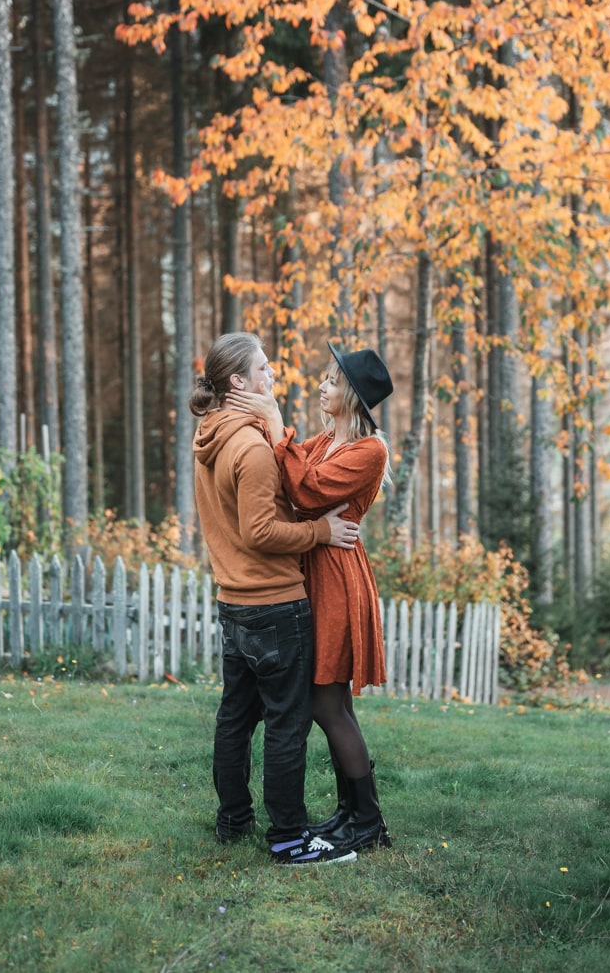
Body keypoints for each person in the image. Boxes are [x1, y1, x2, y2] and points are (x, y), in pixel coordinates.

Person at [191, 331, 362, 867]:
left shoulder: (211, 433)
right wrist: (320, 534)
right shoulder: (252, 448)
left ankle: (233, 821)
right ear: (238, 381)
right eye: (264, 369)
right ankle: (290, 838)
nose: (273, 377)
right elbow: (261, 531)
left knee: (235, 718)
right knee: (287, 723)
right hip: (274, 604)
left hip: (233, 602)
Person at [227, 339, 394, 854]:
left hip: (336, 579)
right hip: (312, 568)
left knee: (325, 703)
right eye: (324, 378)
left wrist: (277, 427)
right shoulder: (325, 442)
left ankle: (367, 821)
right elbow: (290, 476)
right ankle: (351, 813)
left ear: (355, 397)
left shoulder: (370, 450)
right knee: (333, 701)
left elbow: (303, 492)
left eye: (332, 381)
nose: (322, 386)